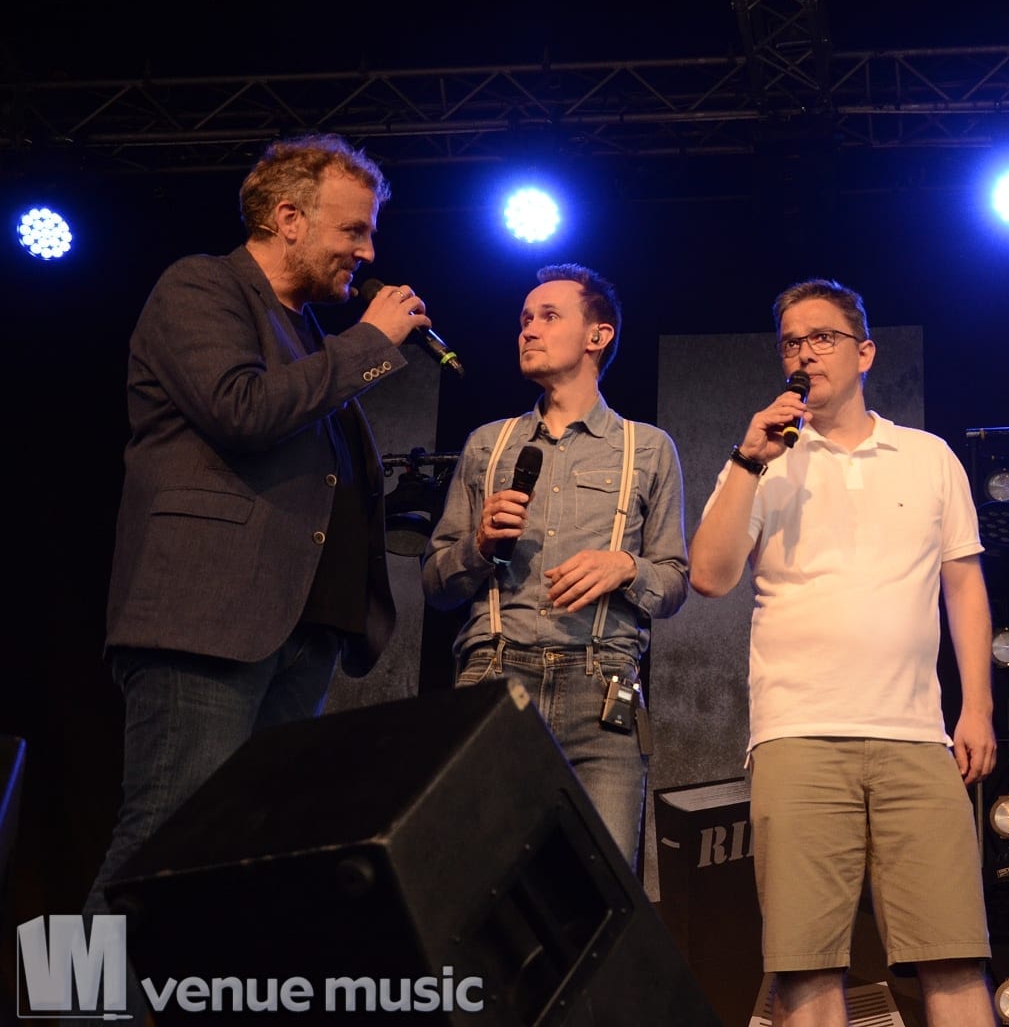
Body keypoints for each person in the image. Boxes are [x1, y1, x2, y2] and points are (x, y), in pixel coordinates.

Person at [90, 133, 430, 917]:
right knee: (156, 838)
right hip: (206, 622)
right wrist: (369, 344)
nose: (368, 251)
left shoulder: (308, 334)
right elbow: (239, 411)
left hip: (300, 631)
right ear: (288, 219)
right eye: (354, 230)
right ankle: (68, 990)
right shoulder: (201, 287)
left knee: (234, 858)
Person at [687, 279, 996, 1027]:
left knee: (954, 956)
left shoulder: (927, 456)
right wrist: (749, 459)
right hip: (798, 735)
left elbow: (964, 586)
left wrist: (978, 708)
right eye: (790, 342)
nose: (804, 353)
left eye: (821, 337)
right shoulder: (762, 460)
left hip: (915, 737)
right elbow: (709, 576)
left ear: (865, 353)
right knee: (807, 967)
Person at [421, 264, 687, 871]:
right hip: (494, 680)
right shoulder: (488, 444)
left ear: (598, 336)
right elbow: (436, 584)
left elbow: (674, 581)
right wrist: (478, 546)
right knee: (479, 884)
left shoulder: (646, 448)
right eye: (524, 319)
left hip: (602, 690)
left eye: (548, 316)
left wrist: (625, 566)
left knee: (599, 892)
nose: (528, 330)